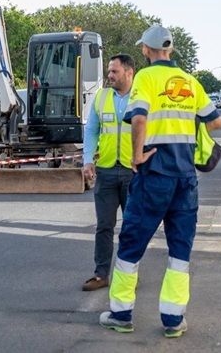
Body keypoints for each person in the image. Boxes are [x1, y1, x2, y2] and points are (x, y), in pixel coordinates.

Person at [99, 25, 221, 338]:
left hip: (155, 173)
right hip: (186, 178)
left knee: (132, 241)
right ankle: (173, 320)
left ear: (145, 49)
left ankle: (121, 313)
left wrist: (137, 155)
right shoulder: (190, 81)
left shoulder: (145, 77)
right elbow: (216, 121)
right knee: (180, 249)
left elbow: (138, 117)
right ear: (170, 50)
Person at [81, 53, 136, 292]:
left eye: (114, 71)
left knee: (132, 227)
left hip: (133, 172)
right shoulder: (101, 97)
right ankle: (101, 274)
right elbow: (92, 130)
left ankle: (128, 275)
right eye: (109, 71)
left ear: (129, 72)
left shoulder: (142, 97)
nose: (110, 75)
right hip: (105, 170)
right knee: (104, 225)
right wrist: (87, 160)